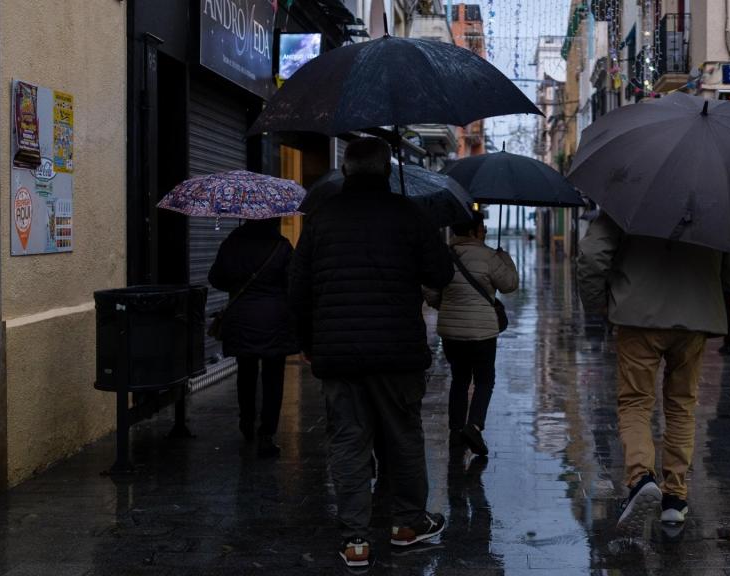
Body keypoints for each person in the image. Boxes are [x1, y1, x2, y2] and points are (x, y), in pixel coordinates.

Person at [289, 137, 454, 570]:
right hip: (397, 352)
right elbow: (441, 272)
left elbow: (299, 287)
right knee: (403, 436)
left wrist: (307, 342)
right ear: (386, 171)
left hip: (339, 352)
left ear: (346, 171)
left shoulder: (321, 219)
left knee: (348, 440)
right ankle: (406, 524)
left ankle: (356, 539)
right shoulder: (408, 215)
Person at [577, 213, 730, 530]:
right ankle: (675, 498)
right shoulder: (711, 206)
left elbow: (591, 255)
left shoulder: (629, 198)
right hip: (694, 318)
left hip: (637, 316)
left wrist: (598, 304)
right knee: (681, 405)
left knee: (636, 401)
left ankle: (641, 479)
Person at [423, 212, 518, 456]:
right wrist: (504, 258)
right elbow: (509, 284)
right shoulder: (489, 256)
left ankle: (456, 431)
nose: (485, 231)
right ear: (474, 230)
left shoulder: (443, 256)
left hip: (452, 333)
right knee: (485, 380)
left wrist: (448, 306)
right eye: (482, 227)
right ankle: (474, 426)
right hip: (483, 332)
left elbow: (431, 293)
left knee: (459, 379)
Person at [208, 218, 298, 458]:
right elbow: (293, 282)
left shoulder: (232, 243)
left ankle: (246, 421)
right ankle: (267, 434)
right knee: (273, 378)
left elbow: (215, 278)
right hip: (274, 319)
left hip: (242, 318)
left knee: (245, 373)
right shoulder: (282, 245)